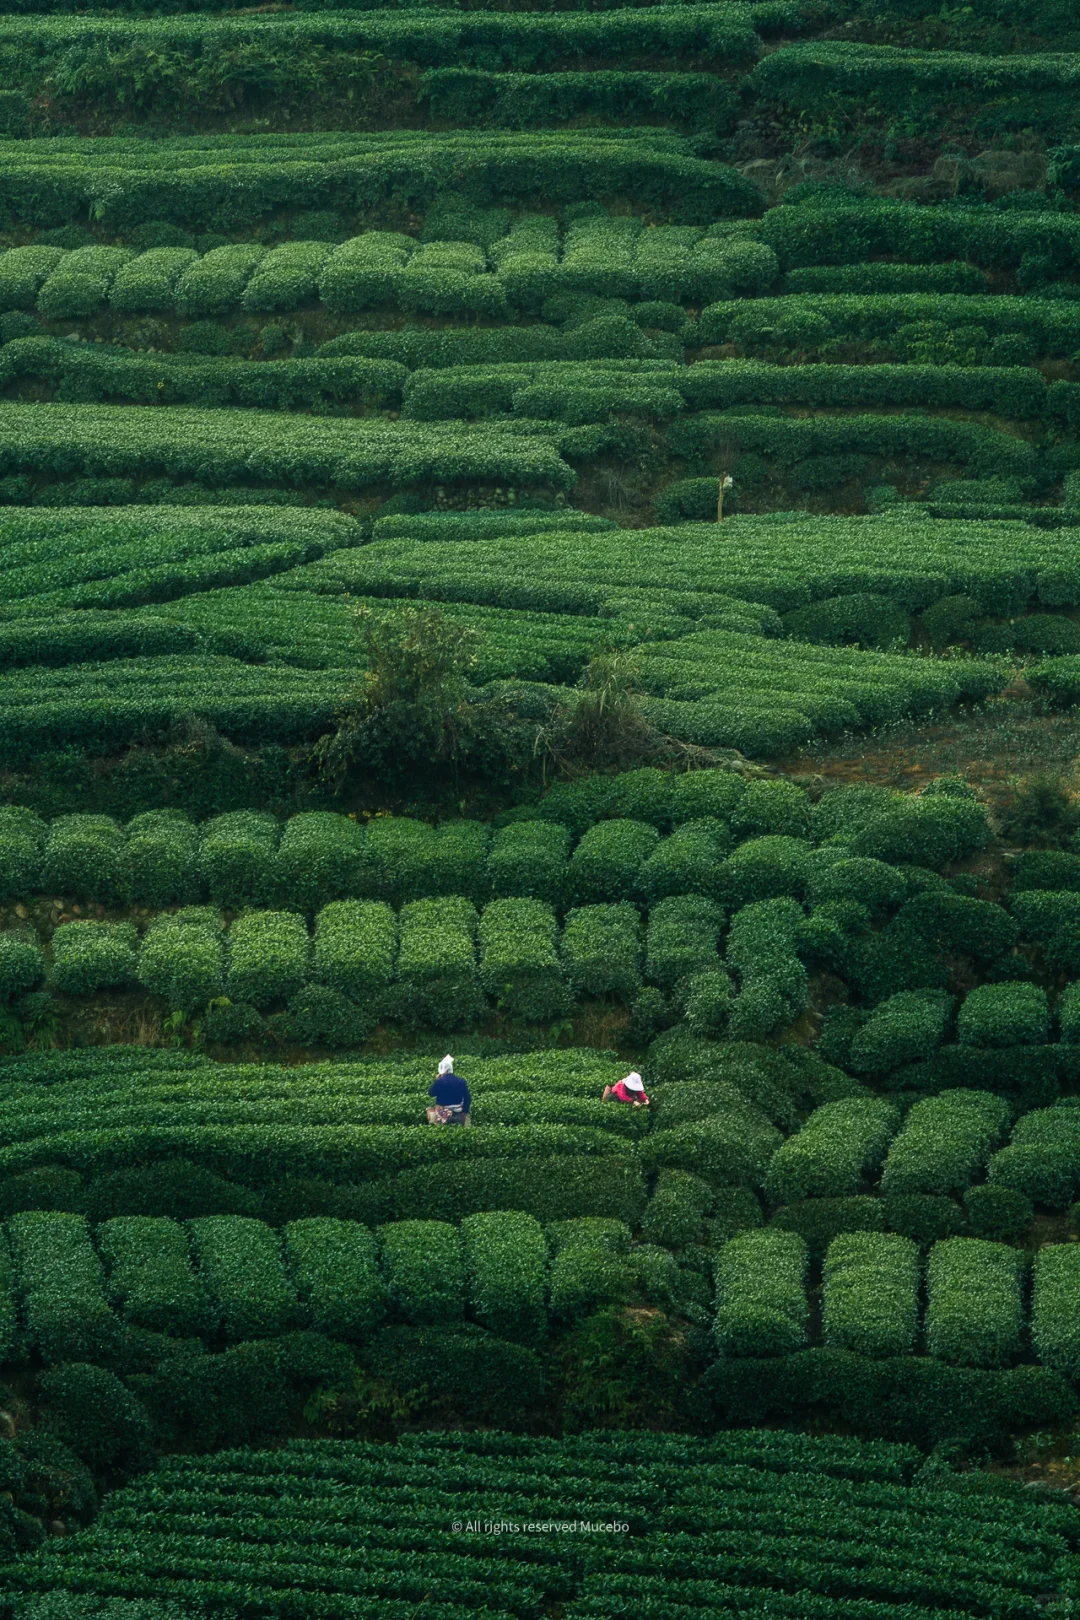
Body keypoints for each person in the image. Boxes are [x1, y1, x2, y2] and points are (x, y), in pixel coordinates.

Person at [428, 1054, 471, 1125]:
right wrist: (465, 1111)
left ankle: (436, 1123)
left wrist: (436, 1080)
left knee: (429, 1110)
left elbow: (431, 1093)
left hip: (444, 1114)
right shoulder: (461, 1081)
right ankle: (463, 1119)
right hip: (458, 1111)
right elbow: (467, 1098)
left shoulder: (439, 1081)